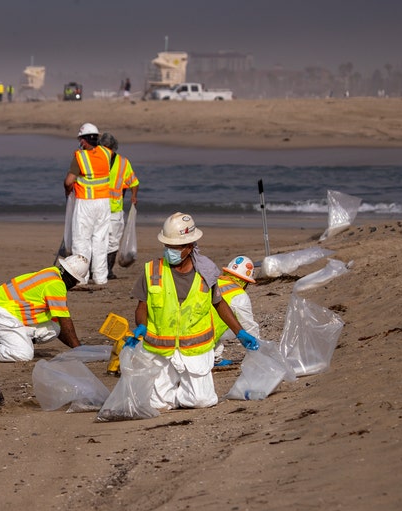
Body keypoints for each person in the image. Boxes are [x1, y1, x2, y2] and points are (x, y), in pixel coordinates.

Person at [125, 212, 259, 410]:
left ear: (189, 246)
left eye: (175, 247)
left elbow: (219, 304)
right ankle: (170, 388)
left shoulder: (206, 272)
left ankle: (181, 388)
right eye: (167, 246)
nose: (170, 251)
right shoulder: (152, 270)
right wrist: (141, 326)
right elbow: (142, 306)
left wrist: (240, 332)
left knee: (201, 401)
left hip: (195, 350)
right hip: (161, 351)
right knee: (158, 405)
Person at [0, 254, 90, 362]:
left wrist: (76, 348)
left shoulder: (51, 272)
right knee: (24, 355)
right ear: (73, 279)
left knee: (54, 328)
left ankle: (16, 340)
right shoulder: (56, 285)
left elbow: (61, 324)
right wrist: (78, 350)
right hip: (0, 314)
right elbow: (65, 319)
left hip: (4, 310)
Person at [64, 123, 113, 285]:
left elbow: (69, 181)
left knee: (81, 240)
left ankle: (81, 277)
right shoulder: (107, 153)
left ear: (84, 140)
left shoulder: (80, 157)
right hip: (104, 203)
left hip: (85, 203)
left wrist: (67, 192)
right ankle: (100, 277)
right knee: (100, 240)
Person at [98, 132, 139, 280]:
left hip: (101, 207)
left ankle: (104, 270)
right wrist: (134, 196)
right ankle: (106, 270)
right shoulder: (123, 162)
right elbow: (134, 183)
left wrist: (133, 196)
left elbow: (133, 183)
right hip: (110, 209)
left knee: (100, 239)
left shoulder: (96, 160)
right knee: (111, 241)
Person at [210, 256, 260, 367]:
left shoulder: (213, 282)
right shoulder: (239, 295)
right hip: (206, 336)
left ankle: (214, 356)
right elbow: (248, 326)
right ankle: (212, 356)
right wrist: (258, 350)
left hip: (195, 330)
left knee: (219, 321)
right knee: (235, 324)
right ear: (245, 282)